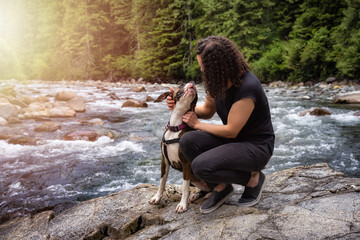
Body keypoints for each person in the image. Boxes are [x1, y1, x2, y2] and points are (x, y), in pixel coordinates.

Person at [167, 35, 275, 214]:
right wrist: (180, 107)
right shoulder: (216, 82)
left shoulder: (248, 87)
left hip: (257, 147)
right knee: (187, 141)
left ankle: (252, 179)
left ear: (218, 67)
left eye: (204, 68)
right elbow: (208, 111)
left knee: (200, 166)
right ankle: (221, 188)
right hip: (234, 142)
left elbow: (231, 130)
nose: (202, 71)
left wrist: (197, 124)